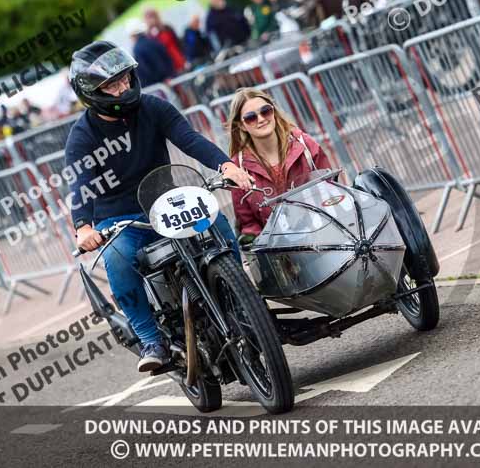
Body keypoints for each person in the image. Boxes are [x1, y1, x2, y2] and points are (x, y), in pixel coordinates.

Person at [66, 41, 253, 372]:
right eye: (112, 84)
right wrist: (83, 227)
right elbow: (80, 187)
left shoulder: (153, 107)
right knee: (118, 261)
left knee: (218, 223)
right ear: (92, 92)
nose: (123, 86)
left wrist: (226, 166)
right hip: (120, 219)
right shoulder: (83, 136)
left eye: (124, 78)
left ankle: (243, 296)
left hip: (166, 201)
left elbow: (190, 139)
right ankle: (152, 340)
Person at [227, 88, 331, 242]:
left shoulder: (304, 143)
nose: (261, 119)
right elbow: (248, 223)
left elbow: (331, 188)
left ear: (273, 112)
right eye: (250, 117)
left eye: (266, 111)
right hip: (278, 249)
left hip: (323, 232)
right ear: (242, 125)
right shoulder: (239, 165)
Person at [126, 19, 175, 87]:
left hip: (156, 85)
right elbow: (166, 57)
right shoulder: (153, 40)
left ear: (133, 35)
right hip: (169, 79)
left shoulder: (137, 49)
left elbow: (145, 70)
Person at [144, 8, 187, 73]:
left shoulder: (167, 28)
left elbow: (179, 44)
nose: (151, 19)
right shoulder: (148, 37)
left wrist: (185, 58)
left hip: (179, 61)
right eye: (148, 17)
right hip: (167, 69)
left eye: (152, 16)